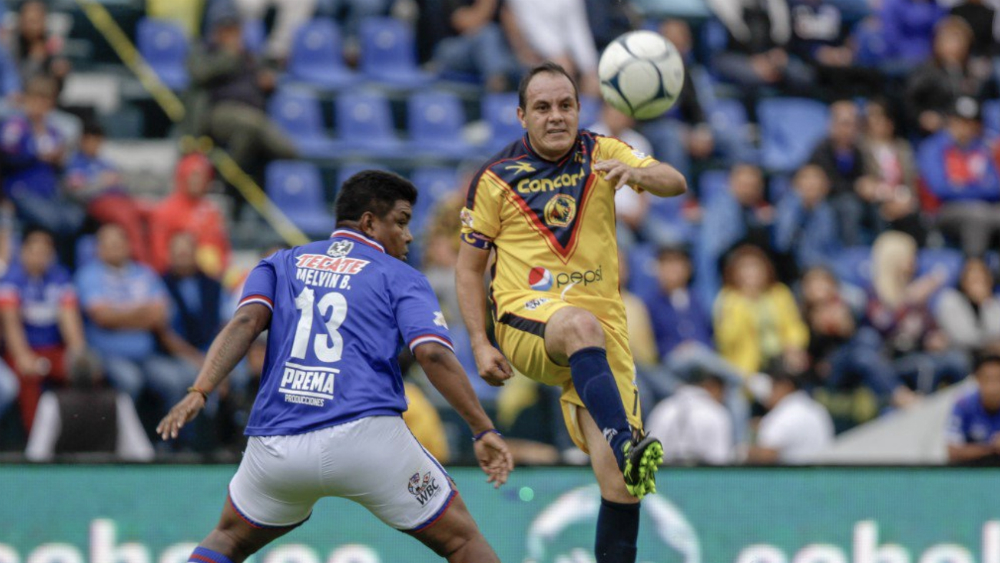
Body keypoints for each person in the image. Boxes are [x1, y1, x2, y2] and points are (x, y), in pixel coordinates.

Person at [157, 170, 513, 563]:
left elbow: (243, 324)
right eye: (401, 222)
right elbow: (432, 354)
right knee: (463, 543)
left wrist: (199, 390)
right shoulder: (400, 276)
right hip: (365, 436)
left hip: (279, 445)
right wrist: (482, 428)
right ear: (369, 223)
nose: (408, 236)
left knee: (227, 539)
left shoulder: (279, 263)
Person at [456, 61, 686, 563]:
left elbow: (676, 181)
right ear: (521, 115)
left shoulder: (603, 151)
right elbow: (469, 269)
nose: (555, 116)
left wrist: (640, 173)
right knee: (579, 326)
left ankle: (620, 451)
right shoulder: (495, 179)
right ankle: (624, 438)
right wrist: (478, 340)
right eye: (542, 107)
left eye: (565, 105)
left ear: (580, 110)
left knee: (622, 486)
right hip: (526, 319)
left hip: (602, 337)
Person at [0, 228, 86, 432]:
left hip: (53, 348)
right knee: (28, 375)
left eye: (45, 252)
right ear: (23, 252)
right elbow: (10, 322)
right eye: (34, 251)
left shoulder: (60, 277)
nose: (40, 257)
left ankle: (75, 435)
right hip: (21, 349)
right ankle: (37, 445)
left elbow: (70, 319)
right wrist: (23, 356)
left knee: (81, 372)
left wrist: (79, 354)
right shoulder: (10, 279)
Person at [25, 350, 153, 462]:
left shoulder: (51, 401)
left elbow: (36, 455)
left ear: (67, 373)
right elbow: (141, 453)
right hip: (105, 479)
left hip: (67, 481)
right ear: (98, 373)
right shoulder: (119, 401)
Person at [64, 121, 147, 263]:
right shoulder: (76, 164)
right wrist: (101, 183)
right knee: (126, 216)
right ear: (83, 141)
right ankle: (139, 259)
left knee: (150, 211)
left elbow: (122, 185)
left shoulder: (105, 163)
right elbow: (77, 193)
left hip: (120, 200)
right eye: (91, 141)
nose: (95, 146)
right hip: (98, 203)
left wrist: (120, 183)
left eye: (98, 142)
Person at [149, 153, 231, 279]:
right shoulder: (166, 210)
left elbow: (224, 247)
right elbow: (159, 254)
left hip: (214, 279)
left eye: (202, 175)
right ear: (182, 176)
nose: (198, 180)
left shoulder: (213, 210)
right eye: (193, 175)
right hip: (177, 278)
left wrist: (221, 267)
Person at [646, 370, 734, 465]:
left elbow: (648, 458)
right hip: (704, 478)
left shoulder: (661, 409)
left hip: (661, 478)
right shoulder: (718, 413)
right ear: (714, 387)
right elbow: (721, 464)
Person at [746, 371, 834, 464]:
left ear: (786, 386)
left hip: (793, 476)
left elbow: (765, 456)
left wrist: (747, 452)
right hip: (823, 474)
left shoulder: (783, 415)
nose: (769, 393)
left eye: (773, 387)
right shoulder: (818, 409)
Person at [933, 257, 1000, 354]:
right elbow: (962, 338)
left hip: (991, 355)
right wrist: (989, 344)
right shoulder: (950, 299)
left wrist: (985, 303)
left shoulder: (994, 302)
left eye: (982, 280)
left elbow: (996, 330)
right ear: (963, 281)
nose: (978, 286)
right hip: (960, 353)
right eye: (973, 280)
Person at [946, 352, 1000, 465]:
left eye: (998, 379)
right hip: (971, 473)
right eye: (987, 379)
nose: (993, 387)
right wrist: (991, 448)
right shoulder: (963, 405)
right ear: (977, 379)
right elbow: (952, 451)